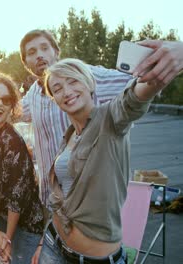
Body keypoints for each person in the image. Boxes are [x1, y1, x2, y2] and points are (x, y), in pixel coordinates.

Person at [36, 58, 169, 263]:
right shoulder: (69, 135)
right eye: (57, 88)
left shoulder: (111, 120)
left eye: (73, 81)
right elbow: (60, 197)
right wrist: (43, 243)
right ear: (54, 98)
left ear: (89, 83)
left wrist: (161, 68)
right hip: (53, 244)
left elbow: (133, 100)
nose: (67, 91)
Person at [19, 30, 133, 206]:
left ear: (56, 52)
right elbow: (11, 111)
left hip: (92, 199)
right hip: (52, 199)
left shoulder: (84, 74)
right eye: (32, 52)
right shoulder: (32, 94)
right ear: (26, 63)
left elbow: (131, 82)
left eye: (44, 48)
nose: (39, 55)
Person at [0, 73, 44, 264]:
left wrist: (6, 239)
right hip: (1, 218)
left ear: (11, 107)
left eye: (5, 100)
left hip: (27, 223)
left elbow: (17, 198)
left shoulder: (13, 142)